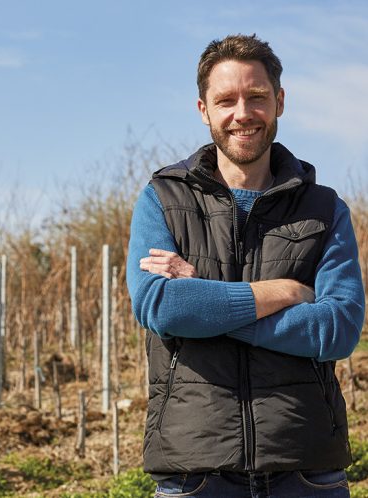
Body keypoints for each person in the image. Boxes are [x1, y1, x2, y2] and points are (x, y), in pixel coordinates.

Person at [126, 34, 365, 498]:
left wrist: (206, 303)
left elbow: (337, 329)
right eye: (226, 100)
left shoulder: (324, 208)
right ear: (203, 110)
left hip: (306, 468)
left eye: (256, 97)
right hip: (195, 471)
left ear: (279, 102)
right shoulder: (162, 199)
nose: (243, 113)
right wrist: (285, 292)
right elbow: (163, 307)